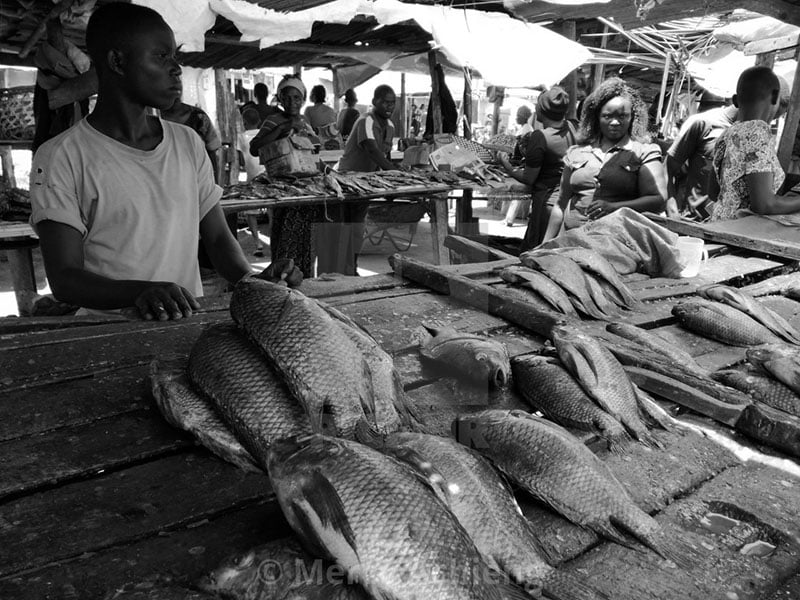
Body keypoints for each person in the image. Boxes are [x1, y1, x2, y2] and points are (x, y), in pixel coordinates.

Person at [28, 2, 300, 321]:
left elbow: (216, 238)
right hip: (111, 333)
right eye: (161, 56)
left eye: (175, 56)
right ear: (117, 61)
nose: (176, 68)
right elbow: (64, 278)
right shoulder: (62, 156)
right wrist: (140, 292)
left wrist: (255, 282)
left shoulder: (187, 143)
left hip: (186, 326)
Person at [542, 77, 667, 241]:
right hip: (571, 241)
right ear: (597, 117)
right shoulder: (577, 152)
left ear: (632, 118)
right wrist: (545, 244)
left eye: (622, 116)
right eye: (607, 116)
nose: (615, 122)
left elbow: (658, 200)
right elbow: (560, 204)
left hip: (616, 243)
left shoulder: (644, 153)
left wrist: (614, 207)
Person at [318, 85, 396, 275]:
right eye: (385, 102)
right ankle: (339, 271)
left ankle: (351, 268)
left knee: (356, 229)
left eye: (393, 103)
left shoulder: (390, 127)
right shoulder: (365, 120)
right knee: (342, 228)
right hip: (345, 183)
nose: (389, 106)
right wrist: (395, 173)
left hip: (365, 186)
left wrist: (391, 178)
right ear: (375, 101)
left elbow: (385, 155)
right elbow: (372, 149)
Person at [249, 74, 322, 277]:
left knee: (307, 244)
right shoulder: (273, 120)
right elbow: (255, 148)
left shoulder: (305, 122)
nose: (292, 102)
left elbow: (314, 150)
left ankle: (304, 283)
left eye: (296, 98)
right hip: (284, 191)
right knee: (285, 241)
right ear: (280, 98)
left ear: (303, 99)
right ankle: (283, 285)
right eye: (287, 97)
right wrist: (283, 128)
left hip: (307, 192)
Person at [709, 66, 800, 221]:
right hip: (738, 232)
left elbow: (712, 192)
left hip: (718, 224)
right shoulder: (757, 131)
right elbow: (764, 205)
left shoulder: (727, 134)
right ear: (775, 96)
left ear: (735, 100)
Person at [496, 87, 577, 249]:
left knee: (536, 250)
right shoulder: (570, 127)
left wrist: (507, 166)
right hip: (566, 200)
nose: (535, 109)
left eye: (537, 106)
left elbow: (528, 178)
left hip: (546, 202)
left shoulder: (540, 136)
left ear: (543, 110)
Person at [664, 96, 737, 219]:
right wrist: (672, 212)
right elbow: (667, 168)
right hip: (692, 223)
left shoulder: (752, 136)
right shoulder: (703, 123)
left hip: (727, 226)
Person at [161, 97, 222, 181]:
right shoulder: (152, 118)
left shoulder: (198, 117)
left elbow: (211, 151)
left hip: (196, 178)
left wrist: (214, 182)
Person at [237, 106, 268, 257]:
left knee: (251, 212)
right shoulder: (265, 135)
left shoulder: (241, 137)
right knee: (272, 209)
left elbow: (241, 161)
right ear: (260, 121)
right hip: (267, 175)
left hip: (252, 177)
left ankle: (258, 244)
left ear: (243, 122)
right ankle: (274, 240)